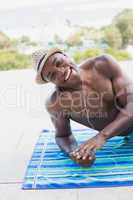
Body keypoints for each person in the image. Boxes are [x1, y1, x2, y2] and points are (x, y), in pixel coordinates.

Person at [32, 48, 133, 167]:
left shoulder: (103, 65)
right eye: (52, 75)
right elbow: (63, 136)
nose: (61, 71)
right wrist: (75, 154)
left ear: (65, 55)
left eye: (58, 62)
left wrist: (102, 136)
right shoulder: (55, 103)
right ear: (50, 82)